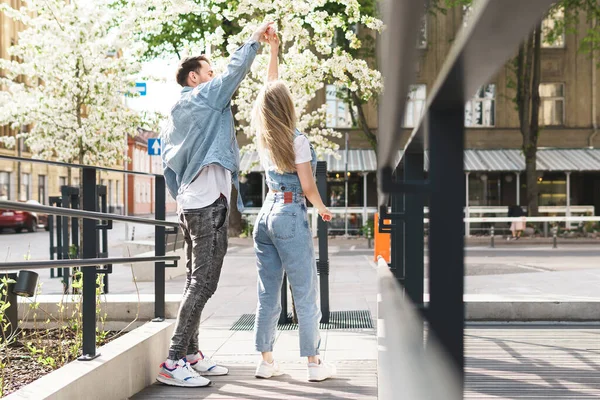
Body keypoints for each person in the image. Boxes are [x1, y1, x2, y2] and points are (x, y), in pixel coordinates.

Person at [157, 21, 274, 388]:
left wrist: (184, 197)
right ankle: (173, 361)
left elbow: (168, 169)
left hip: (193, 201)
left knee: (197, 280)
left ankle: (190, 355)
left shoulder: (173, 114)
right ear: (195, 78)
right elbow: (236, 70)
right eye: (209, 72)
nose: (216, 76)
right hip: (207, 202)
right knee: (203, 283)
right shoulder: (205, 95)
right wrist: (255, 37)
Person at [250, 31, 336, 382]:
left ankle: (265, 361)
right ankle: (314, 364)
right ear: (288, 106)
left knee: (268, 291)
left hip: (265, 214)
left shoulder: (265, 133)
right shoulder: (297, 140)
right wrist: (323, 207)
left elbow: (269, 88)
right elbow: (307, 185)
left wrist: (273, 51)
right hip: (289, 215)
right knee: (304, 289)